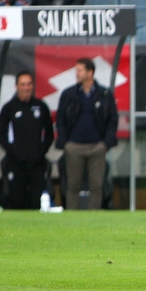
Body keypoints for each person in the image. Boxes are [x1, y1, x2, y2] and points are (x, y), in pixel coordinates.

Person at [55, 58, 119, 211]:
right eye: (76, 70)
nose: (77, 74)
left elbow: (113, 119)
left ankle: (93, 217)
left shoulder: (104, 93)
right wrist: (66, 143)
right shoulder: (69, 94)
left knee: (96, 185)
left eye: (80, 70)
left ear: (90, 73)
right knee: (73, 185)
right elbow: (60, 119)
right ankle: (72, 216)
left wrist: (106, 143)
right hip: (74, 146)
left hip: (97, 146)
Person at [0, 71, 53, 210]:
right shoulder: (9, 108)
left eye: (28, 84)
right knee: (17, 199)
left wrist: (41, 152)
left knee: (36, 200)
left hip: (37, 163)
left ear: (33, 86)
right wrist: (13, 152)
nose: (26, 88)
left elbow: (49, 133)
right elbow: (0, 135)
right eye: (22, 84)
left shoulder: (41, 106)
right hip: (15, 163)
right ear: (16, 86)